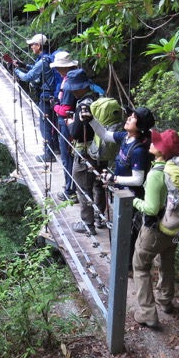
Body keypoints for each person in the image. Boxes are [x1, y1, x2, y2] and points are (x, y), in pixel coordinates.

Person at [131, 129, 179, 327]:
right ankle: (165, 301)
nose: (152, 143)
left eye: (156, 142)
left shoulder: (156, 174)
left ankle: (147, 313)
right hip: (174, 227)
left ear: (162, 151)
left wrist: (135, 202)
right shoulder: (177, 170)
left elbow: (152, 208)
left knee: (141, 266)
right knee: (167, 261)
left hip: (154, 230)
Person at [89, 105, 155, 267]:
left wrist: (114, 178)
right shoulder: (125, 137)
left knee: (128, 233)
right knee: (120, 230)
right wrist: (90, 119)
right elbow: (104, 134)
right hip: (121, 194)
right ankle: (121, 263)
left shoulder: (139, 150)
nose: (128, 118)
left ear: (139, 126)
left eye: (132, 118)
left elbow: (138, 180)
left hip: (132, 198)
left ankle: (126, 268)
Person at [64, 69, 105, 235]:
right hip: (101, 148)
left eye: (74, 88)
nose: (72, 91)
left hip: (85, 152)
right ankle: (99, 218)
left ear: (80, 87)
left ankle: (87, 224)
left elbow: (76, 132)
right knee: (99, 185)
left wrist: (70, 123)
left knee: (83, 188)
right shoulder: (98, 98)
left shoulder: (83, 105)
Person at [14, 34, 58, 162]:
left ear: (38, 45)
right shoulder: (47, 58)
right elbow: (36, 70)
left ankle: (48, 154)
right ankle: (55, 148)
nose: (31, 47)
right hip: (52, 95)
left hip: (45, 96)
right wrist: (23, 65)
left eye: (32, 44)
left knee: (45, 126)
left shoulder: (43, 61)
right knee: (52, 124)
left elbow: (28, 77)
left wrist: (15, 70)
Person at [52, 51, 80, 203]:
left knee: (67, 157)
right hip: (69, 123)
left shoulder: (69, 83)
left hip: (66, 124)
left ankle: (71, 190)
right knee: (68, 156)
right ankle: (71, 187)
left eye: (58, 67)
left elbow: (66, 109)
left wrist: (55, 106)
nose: (56, 69)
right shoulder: (69, 79)